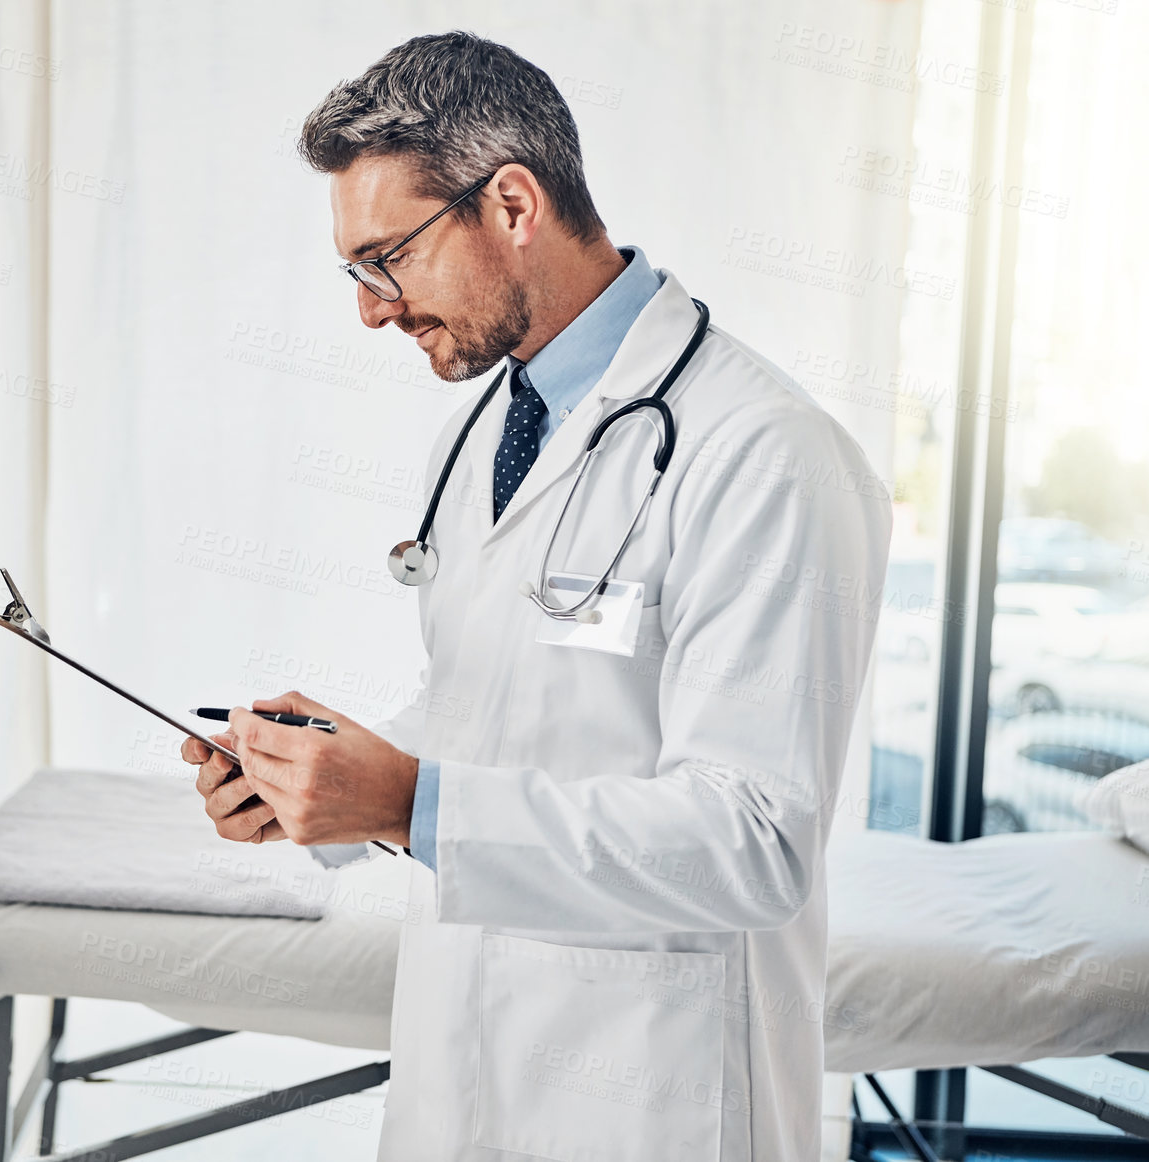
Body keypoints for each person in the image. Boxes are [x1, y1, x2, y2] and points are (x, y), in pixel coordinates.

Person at [182, 31, 890, 1162]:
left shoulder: (762, 453)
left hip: (657, 1090)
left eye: (388, 260)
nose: (371, 310)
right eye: (356, 274)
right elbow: (499, 707)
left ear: (512, 204)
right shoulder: (486, 438)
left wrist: (413, 801)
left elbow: (754, 839)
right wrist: (326, 780)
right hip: (464, 1061)